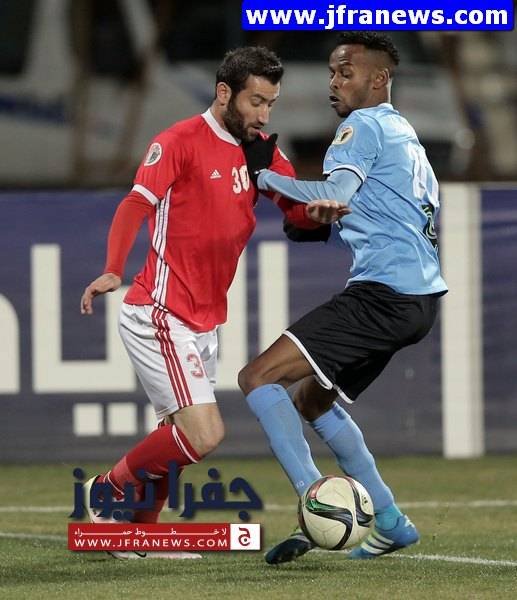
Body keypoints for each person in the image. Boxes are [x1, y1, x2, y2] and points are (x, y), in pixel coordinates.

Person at [80, 46, 346, 560]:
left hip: (204, 320)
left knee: (175, 433)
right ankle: (105, 490)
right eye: (255, 102)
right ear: (224, 93)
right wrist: (113, 266)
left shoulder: (261, 153)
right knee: (203, 434)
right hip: (161, 311)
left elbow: (295, 210)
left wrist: (318, 215)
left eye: (271, 104)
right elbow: (135, 203)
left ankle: (142, 533)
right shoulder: (178, 142)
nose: (264, 115)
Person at [238, 31, 448, 564]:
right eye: (332, 72)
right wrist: (315, 215)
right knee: (311, 400)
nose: (333, 82)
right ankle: (392, 523)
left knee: (258, 378)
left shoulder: (363, 126)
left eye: (345, 72)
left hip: (383, 295)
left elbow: (334, 193)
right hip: (417, 301)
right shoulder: (403, 132)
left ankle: (318, 502)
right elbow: (361, 209)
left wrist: (264, 175)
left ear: (378, 79)